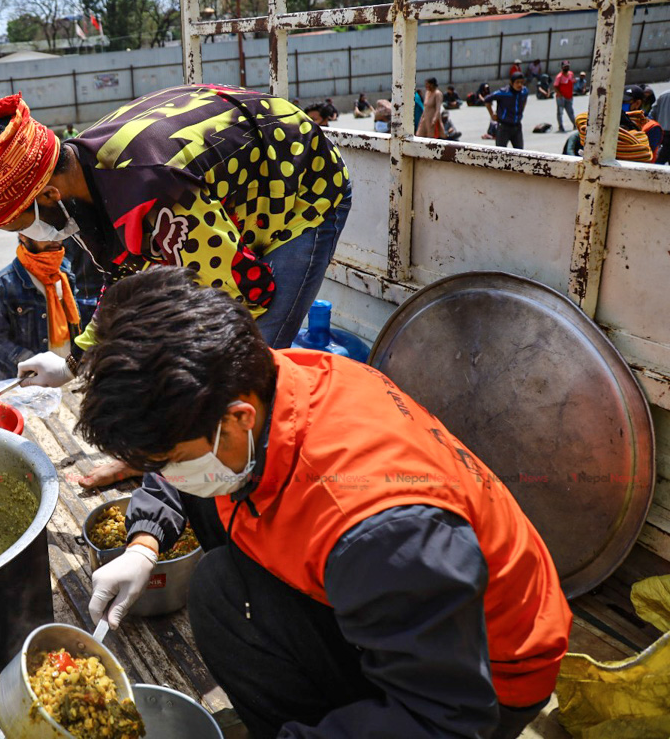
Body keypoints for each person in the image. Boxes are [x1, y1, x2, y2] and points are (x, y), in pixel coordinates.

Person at [79, 266, 572, 739]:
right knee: (221, 568)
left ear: (238, 418)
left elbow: (447, 717)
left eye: (170, 460)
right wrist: (143, 545)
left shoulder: (379, 529)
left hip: (483, 682)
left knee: (222, 597)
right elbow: (180, 456)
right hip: (415, 602)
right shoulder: (273, 375)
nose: (166, 474)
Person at [0, 85, 353, 358]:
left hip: (300, 185)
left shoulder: (149, 187)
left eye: (19, 224)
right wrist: (78, 357)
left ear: (47, 195)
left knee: (250, 353)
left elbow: (247, 292)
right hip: (229, 190)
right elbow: (125, 279)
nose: (28, 236)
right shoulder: (75, 178)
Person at [0, 235, 83, 384]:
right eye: (46, 234)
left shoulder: (64, 273)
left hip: (62, 376)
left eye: (58, 233)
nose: (55, 240)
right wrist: (34, 364)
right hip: (24, 384)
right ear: (24, 236)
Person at [485, 73, 529, 149]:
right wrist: (492, 114)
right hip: (504, 127)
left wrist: (521, 110)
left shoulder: (524, 91)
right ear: (511, 83)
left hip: (517, 127)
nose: (520, 85)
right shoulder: (503, 92)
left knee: (520, 153)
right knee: (501, 153)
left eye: (522, 82)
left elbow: (525, 99)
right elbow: (487, 99)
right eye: (517, 82)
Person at [553, 62, 577, 133]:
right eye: (565, 66)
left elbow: (572, 81)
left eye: (567, 66)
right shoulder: (559, 77)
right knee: (560, 113)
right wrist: (560, 94)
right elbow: (555, 86)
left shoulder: (571, 74)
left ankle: (575, 125)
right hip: (561, 98)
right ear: (562, 67)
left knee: (570, 112)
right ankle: (561, 126)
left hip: (569, 97)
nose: (566, 68)